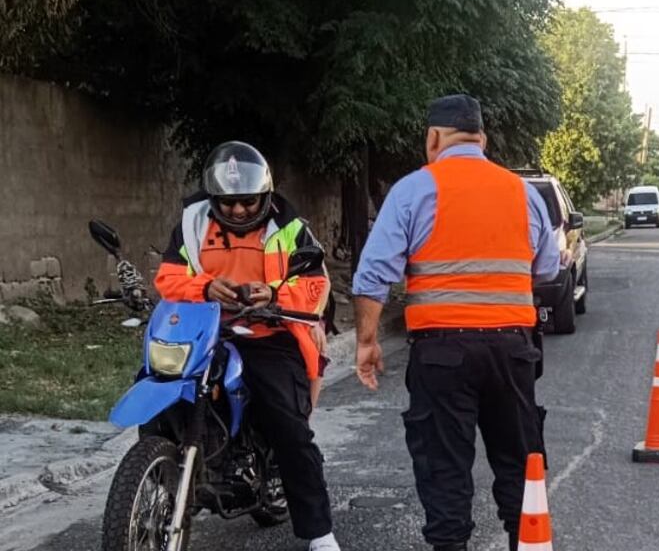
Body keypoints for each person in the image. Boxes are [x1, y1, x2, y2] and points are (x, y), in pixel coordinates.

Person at [352, 94, 560, 551]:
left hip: (441, 353)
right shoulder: (522, 192)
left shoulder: (413, 190)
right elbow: (547, 268)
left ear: (433, 138)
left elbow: (373, 275)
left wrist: (367, 341)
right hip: (512, 351)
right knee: (520, 465)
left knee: (444, 470)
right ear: (482, 139)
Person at [154, 141, 341, 551]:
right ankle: (162, 485)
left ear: (264, 195)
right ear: (213, 198)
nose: (238, 210)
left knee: (290, 429)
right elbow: (168, 277)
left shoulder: (291, 227)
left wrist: (273, 294)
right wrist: (205, 287)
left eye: (247, 202)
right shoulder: (192, 223)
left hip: (268, 335)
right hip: (202, 333)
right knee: (157, 394)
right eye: (228, 202)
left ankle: (319, 531)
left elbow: (315, 284)